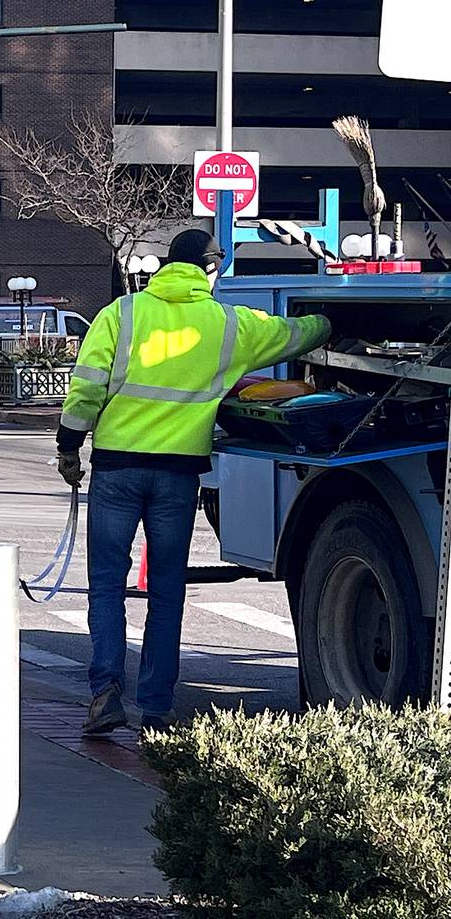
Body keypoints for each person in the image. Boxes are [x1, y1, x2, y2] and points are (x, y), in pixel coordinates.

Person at [57, 229, 332, 737]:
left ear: (166, 264)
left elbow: (86, 388)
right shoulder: (230, 324)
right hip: (178, 478)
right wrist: (332, 315)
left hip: (116, 471)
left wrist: (69, 445)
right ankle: (156, 707)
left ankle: (105, 693)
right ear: (211, 268)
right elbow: (299, 333)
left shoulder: (124, 313)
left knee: (106, 587)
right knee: (166, 593)